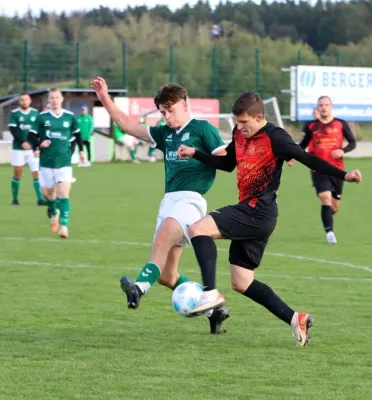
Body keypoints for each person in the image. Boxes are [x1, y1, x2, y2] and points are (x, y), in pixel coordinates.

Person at [176, 92, 362, 346]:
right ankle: (296, 318)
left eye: (244, 123)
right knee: (241, 282)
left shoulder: (276, 137)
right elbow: (228, 163)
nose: (239, 128)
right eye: (237, 123)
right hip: (253, 214)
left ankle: (209, 293)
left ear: (259, 117)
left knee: (198, 228)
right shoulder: (240, 135)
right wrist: (196, 153)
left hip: (257, 212)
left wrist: (345, 175)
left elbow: (307, 158)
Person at [91, 76, 230, 334]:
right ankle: (214, 310)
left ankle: (138, 289)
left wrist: (209, 153)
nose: (167, 116)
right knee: (167, 275)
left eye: (171, 110)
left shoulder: (202, 129)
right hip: (168, 202)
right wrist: (104, 99)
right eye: (163, 112)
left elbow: (224, 157)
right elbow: (129, 126)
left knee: (162, 239)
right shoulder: (164, 133)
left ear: (185, 105)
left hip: (191, 201)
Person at [293, 96, 356, 244]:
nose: (324, 107)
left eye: (326, 105)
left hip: (338, 170)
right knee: (325, 198)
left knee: (334, 206)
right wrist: (290, 155)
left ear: (331, 107)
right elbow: (302, 144)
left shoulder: (341, 124)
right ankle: (330, 233)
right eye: (321, 105)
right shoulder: (312, 126)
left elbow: (353, 142)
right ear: (318, 107)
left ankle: (329, 215)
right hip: (318, 168)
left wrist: (343, 150)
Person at [30, 88, 85, 238]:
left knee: (64, 193)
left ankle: (64, 226)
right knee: (50, 195)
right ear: (48, 101)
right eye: (51, 98)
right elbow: (31, 135)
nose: (54, 100)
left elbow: (77, 134)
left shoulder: (69, 117)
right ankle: (54, 212)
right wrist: (39, 145)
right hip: (47, 162)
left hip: (64, 161)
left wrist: (81, 150)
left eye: (57, 97)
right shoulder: (41, 118)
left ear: (62, 99)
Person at [8, 93, 45, 206]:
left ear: (30, 101)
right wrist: (23, 142)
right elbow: (13, 130)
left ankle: (40, 199)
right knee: (17, 174)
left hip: (32, 150)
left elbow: (39, 132)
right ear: (19, 102)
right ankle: (15, 199)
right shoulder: (14, 114)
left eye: (26, 99)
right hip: (18, 149)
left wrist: (36, 147)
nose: (24, 101)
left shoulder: (35, 114)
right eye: (22, 100)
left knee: (36, 174)